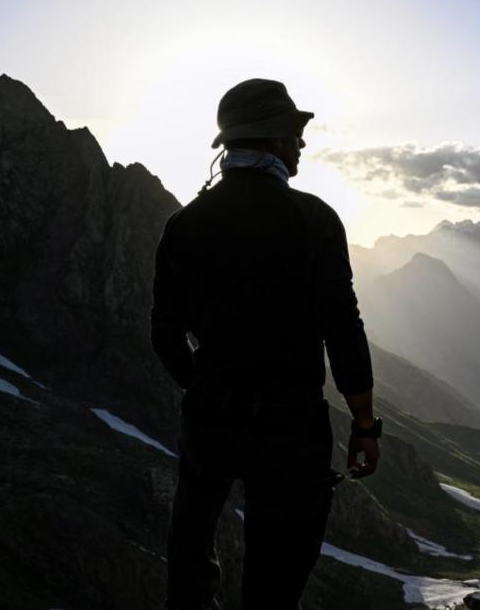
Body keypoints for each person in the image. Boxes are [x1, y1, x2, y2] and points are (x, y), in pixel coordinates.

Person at [151, 78, 380, 610]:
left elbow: (164, 333)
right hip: (291, 425)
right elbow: (343, 329)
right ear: (274, 139)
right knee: (275, 582)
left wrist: (204, 387)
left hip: (210, 419)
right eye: (295, 134)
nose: (302, 144)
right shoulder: (315, 219)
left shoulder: (184, 224)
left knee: (190, 561)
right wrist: (365, 426)